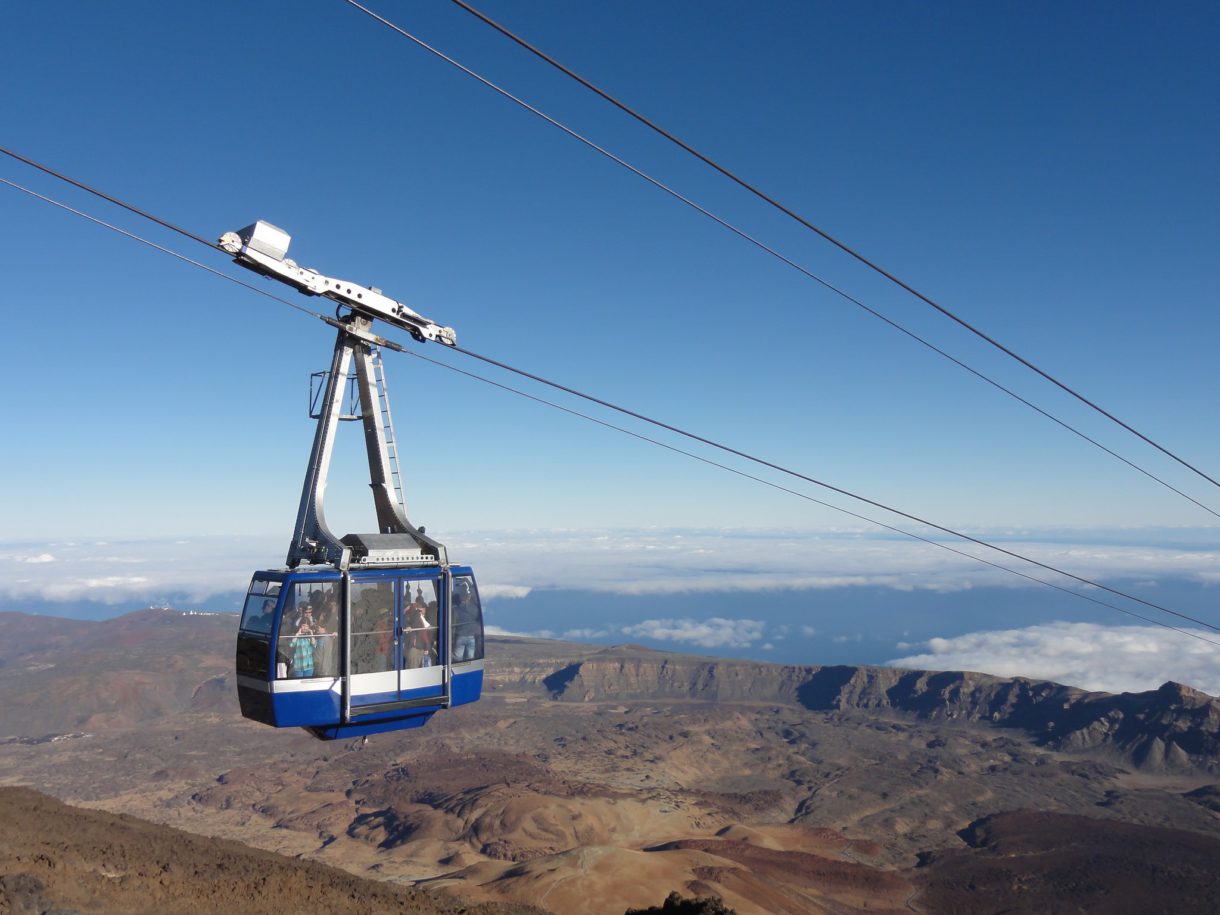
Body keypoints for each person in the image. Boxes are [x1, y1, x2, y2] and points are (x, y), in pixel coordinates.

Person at [452, 580, 480, 662]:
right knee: (470, 659)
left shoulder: (456, 609)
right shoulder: (474, 609)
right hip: (471, 636)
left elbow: (454, 622)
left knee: (457, 659)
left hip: (461, 636)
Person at [404, 600, 432, 669]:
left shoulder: (414, 616)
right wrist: (426, 647)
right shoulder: (416, 615)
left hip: (415, 646)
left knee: (411, 668)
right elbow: (422, 632)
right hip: (415, 647)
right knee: (413, 670)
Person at [290, 612, 316, 678]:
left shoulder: (309, 636)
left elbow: (314, 645)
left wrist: (311, 634)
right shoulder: (296, 636)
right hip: (298, 666)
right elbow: (291, 645)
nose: (305, 628)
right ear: (300, 626)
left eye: (307, 626)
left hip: (309, 666)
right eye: (303, 625)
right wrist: (297, 635)